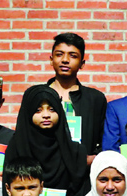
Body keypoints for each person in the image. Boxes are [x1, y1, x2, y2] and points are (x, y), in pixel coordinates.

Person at [4, 84, 88, 196]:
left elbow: (79, 193)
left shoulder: (74, 151)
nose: (46, 115)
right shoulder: (17, 146)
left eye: (52, 109)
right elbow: (9, 191)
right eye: (38, 110)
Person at [46, 32, 108, 162]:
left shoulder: (95, 99)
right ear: (51, 59)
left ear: (82, 63)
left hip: (82, 172)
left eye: (73, 56)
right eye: (59, 54)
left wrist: (91, 160)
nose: (65, 60)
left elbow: (102, 139)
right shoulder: (38, 95)